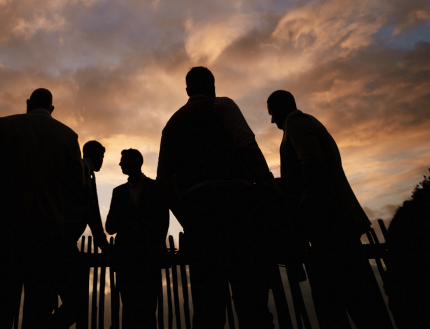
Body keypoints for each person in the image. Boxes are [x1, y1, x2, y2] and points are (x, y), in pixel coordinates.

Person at [157, 67, 276, 329]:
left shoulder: (172, 124)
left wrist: (187, 217)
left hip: (199, 214)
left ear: (187, 90)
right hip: (237, 207)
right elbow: (246, 145)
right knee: (251, 298)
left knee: (208, 304)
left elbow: (163, 181)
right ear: (212, 85)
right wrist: (265, 184)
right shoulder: (222, 105)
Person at [267, 90, 392, 329]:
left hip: (329, 225)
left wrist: (312, 218)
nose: (272, 121)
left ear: (283, 107)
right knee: (351, 297)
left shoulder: (296, 122)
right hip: (332, 222)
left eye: (272, 113)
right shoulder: (304, 123)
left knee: (347, 298)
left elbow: (312, 165)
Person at [0, 88, 83, 329]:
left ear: (28, 103)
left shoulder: (6, 125)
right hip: (48, 238)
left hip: (6, 234)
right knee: (38, 310)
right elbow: (75, 190)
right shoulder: (68, 136)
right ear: (52, 108)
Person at [106, 149, 169, 329]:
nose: (120, 164)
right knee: (129, 308)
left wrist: (154, 246)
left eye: (124, 160)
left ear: (137, 162)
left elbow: (163, 220)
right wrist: (126, 215)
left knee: (149, 308)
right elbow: (109, 227)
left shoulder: (156, 188)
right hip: (126, 258)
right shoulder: (118, 192)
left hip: (149, 257)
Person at [52, 140, 108, 328]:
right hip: (61, 244)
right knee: (76, 304)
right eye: (102, 156)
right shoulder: (83, 170)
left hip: (62, 242)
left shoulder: (85, 171)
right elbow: (91, 213)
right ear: (97, 155)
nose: (102, 160)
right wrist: (104, 246)